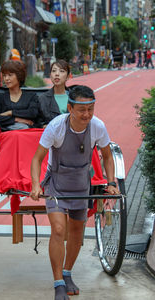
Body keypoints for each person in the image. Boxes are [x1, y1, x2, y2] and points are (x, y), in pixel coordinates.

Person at [30, 85, 120, 300]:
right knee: (59, 230)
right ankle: (58, 282)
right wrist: (35, 184)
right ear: (70, 108)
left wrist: (111, 181)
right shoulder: (56, 127)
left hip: (81, 185)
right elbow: (37, 159)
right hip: (57, 185)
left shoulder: (98, 126)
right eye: (82, 109)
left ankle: (67, 272)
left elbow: (107, 156)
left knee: (77, 233)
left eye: (91, 108)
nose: (87, 114)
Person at [0, 60, 41, 131]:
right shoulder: (0, 97)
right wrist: (16, 119)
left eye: (10, 75)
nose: (6, 79)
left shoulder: (31, 96)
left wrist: (10, 112)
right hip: (7, 134)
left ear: (19, 76)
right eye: (4, 75)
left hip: (27, 134)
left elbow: (32, 113)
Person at [38, 59, 71, 126]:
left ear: (67, 77)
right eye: (54, 71)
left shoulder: (74, 97)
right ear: (50, 75)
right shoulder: (43, 98)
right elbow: (39, 121)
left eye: (61, 71)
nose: (57, 74)